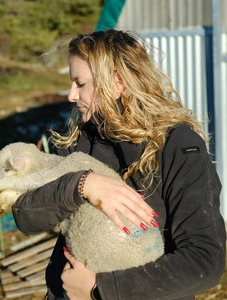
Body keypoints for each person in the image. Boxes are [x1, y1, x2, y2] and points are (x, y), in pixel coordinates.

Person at [12, 29, 226, 300]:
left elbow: (204, 262)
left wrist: (98, 289)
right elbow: (25, 216)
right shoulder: (78, 140)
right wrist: (79, 185)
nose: (70, 95)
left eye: (80, 84)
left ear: (117, 83)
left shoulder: (177, 145)